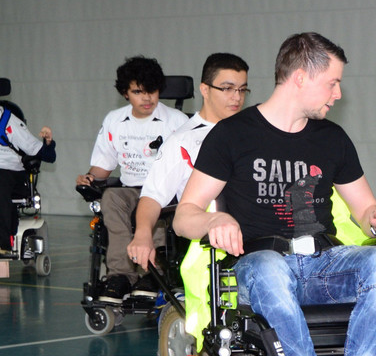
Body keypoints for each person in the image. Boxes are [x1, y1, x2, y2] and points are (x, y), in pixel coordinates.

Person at [173, 32, 376, 356]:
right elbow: (184, 216)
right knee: (268, 267)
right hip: (259, 267)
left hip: (322, 265)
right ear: (300, 77)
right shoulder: (232, 135)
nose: (337, 94)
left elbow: (364, 209)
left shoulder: (332, 139)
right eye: (332, 83)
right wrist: (212, 222)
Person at [76, 56, 188, 303]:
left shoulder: (177, 122)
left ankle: (154, 273)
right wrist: (89, 178)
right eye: (138, 92)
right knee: (110, 197)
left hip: (166, 191)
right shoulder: (114, 120)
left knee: (158, 205)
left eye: (151, 91)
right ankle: (121, 275)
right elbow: (103, 165)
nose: (146, 98)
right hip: (130, 190)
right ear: (125, 93)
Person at [126, 53, 250, 271]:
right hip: (212, 247)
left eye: (242, 90)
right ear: (205, 90)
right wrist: (143, 235)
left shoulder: (253, 133)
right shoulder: (182, 140)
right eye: (227, 89)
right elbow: (152, 196)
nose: (237, 97)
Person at [0, 101, 55, 256]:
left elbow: (47, 155)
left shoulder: (7, 121)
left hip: (10, 172)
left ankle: (2, 243)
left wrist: (48, 143)